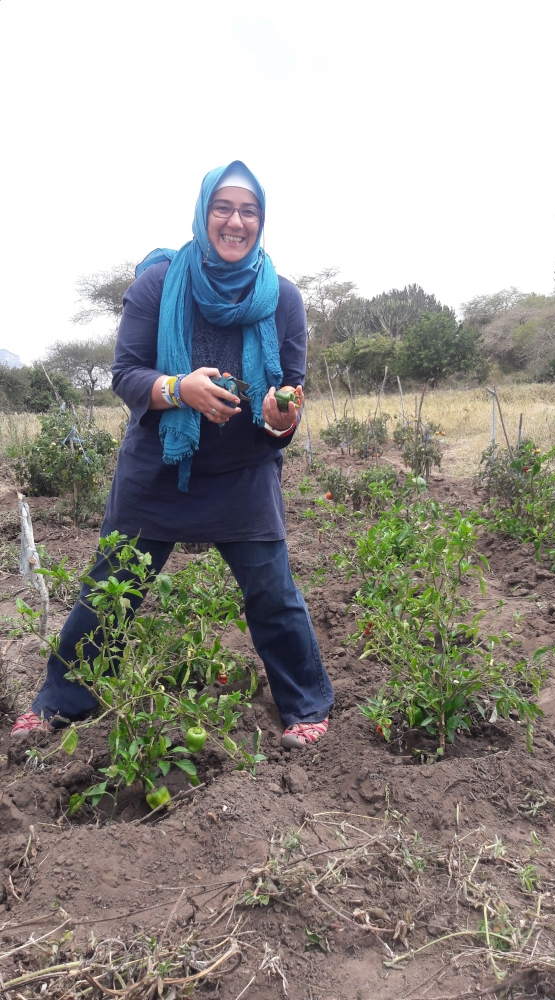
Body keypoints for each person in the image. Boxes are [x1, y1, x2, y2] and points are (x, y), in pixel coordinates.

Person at [12, 160, 334, 750]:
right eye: (224, 208)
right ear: (204, 212)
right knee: (113, 587)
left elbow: (288, 391)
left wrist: (283, 415)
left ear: (261, 221)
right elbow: (126, 374)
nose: (236, 222)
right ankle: (63, 697)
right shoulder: (160, 282)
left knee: (271, 591)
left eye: (249, 211)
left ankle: (306, 703)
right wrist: (178, 389)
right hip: (160, 465)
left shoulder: (283, 298)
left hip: (243, 471)